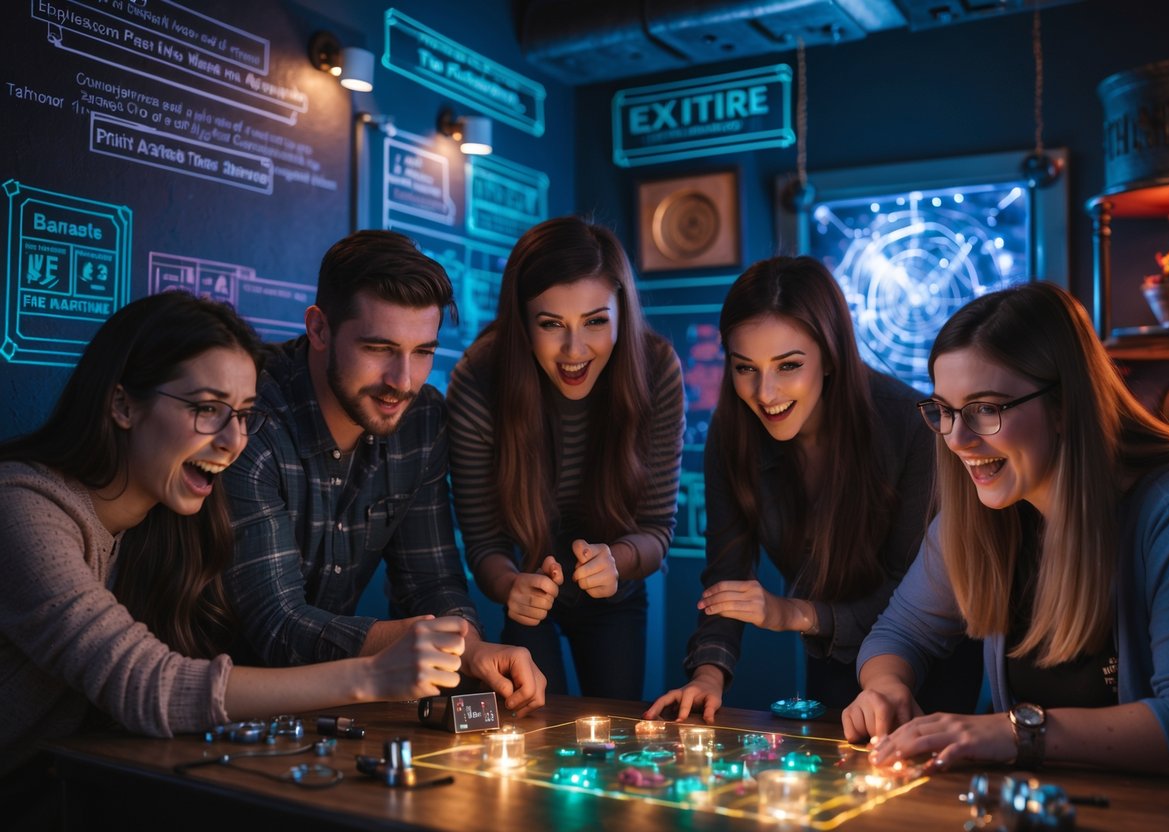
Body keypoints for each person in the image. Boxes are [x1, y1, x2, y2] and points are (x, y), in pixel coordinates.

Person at [0, 293, 469, 823]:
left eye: (244, 415)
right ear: (123, 404)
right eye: (206, 409)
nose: (233, 441)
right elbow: (148, 686)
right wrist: (370, 676)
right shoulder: (23, 507)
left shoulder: (167, 524)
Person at [843, 281, 1169, 779]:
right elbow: (898, 633)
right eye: (946, 412)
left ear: (1063, 405)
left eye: (985, 409)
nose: (957, 439)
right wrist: (885, 685)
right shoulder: (977, 518)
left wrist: (1012, 732)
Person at [646, 255, 981, 722]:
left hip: (929, 670)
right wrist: (708, 673)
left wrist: (793, 614)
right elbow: (728, 576)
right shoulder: (732, 430)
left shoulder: (912, 426)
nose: (765, 393)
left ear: (829, 354)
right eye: (746, 368)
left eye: (788, 366)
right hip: (830, 656)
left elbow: (912, 600)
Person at [223, 230, 544, 715]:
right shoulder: (251, 421)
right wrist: (416, 639)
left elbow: (431, 580)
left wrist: (473, 649)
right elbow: (277, 627)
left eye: (423, 352)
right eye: (379, 348)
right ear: (319, 329)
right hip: (204, 710)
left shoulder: (420, 421)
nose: (404, 381)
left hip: (327, 713)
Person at [446, 216, 684, 699]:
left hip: (618, 588)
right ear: (522, 321)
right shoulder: (479, 378)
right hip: (526, 587)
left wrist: (615, 561)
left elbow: (656, 531)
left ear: (622, 311)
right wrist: (511, 584)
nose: (574, 350)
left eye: (595, 321)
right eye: (551, 324)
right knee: (531, 729)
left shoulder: (657, 368)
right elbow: (484, 543)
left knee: (617, 734)